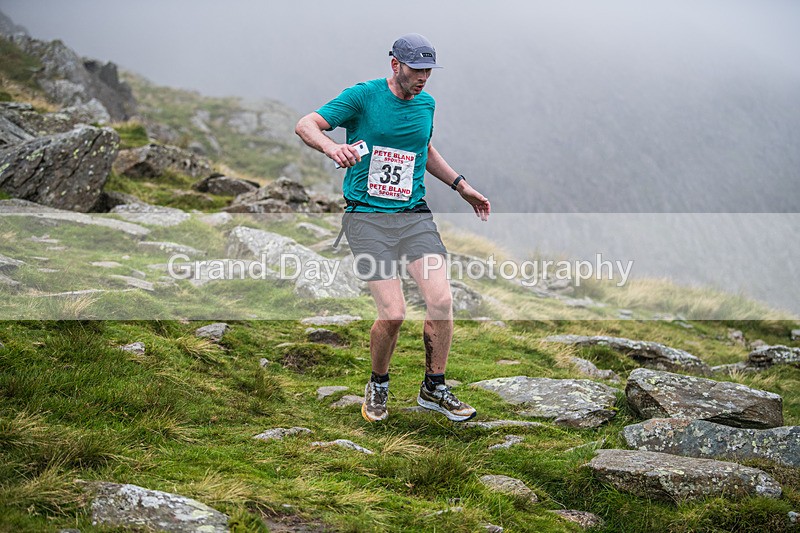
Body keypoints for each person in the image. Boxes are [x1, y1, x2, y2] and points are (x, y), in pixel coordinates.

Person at [295, 33, 490, 423]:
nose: (423, 78)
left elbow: (425, 149)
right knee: (394, 313)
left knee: (442, 301)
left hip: (414, 215)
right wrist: (333, 148)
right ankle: (378, 383)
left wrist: (462, 187)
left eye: (428, 71)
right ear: (395, 65)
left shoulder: (427, 104)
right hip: (367, 217)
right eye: (416, 70)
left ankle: (434, 388)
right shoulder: (363, 96)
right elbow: (306, 124)